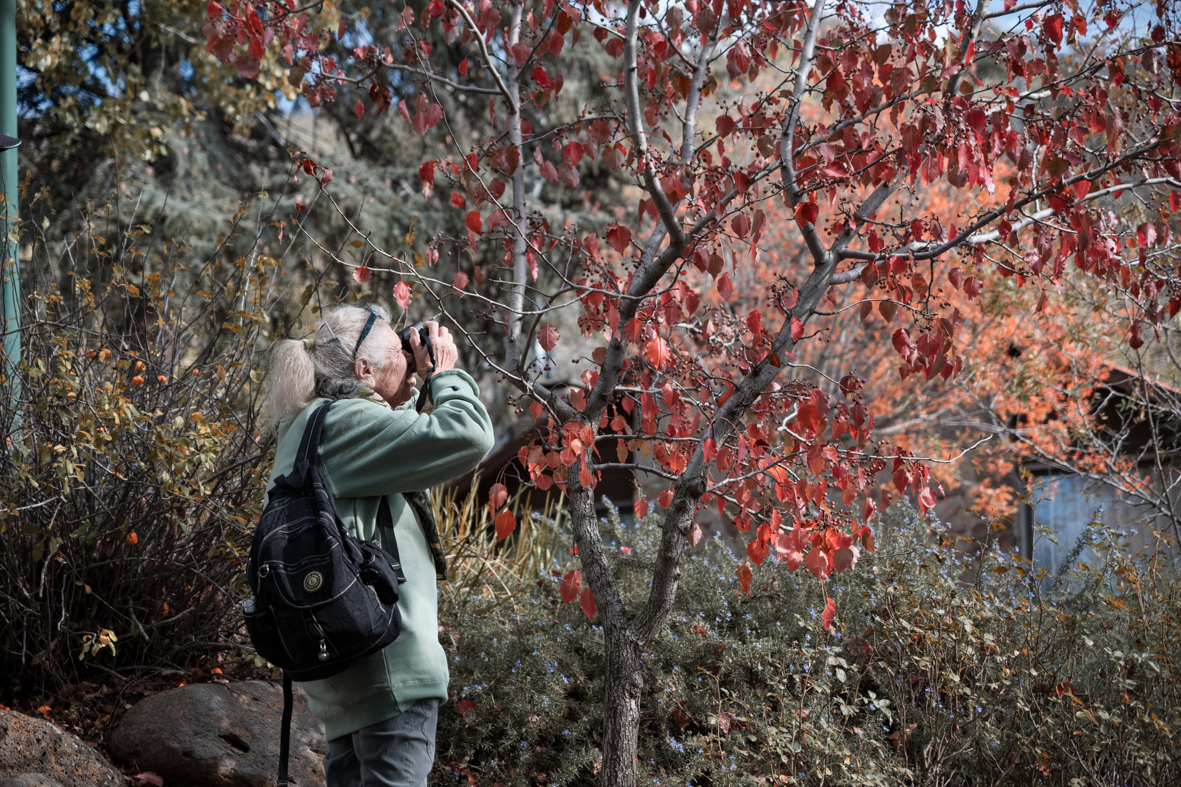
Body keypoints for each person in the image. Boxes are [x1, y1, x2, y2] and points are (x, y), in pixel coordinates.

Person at [262, 304, 495, 787]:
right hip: (388, 669)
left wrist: (418, 379)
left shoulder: (310, 426)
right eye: (397, 349)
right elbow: (468, 435)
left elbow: (394, 435)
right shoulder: (343, 426)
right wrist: (444, 375)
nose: (407, 357)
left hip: (347, 675)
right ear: (362, 370)